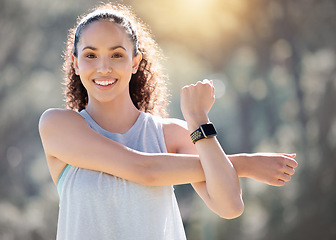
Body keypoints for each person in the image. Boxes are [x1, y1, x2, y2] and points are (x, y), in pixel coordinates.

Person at [38, 3, 298, 240]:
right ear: (75, 63)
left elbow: (229, 205)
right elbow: (144, 170)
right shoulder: (58, 126)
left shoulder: (171, 134)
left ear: (135, 62)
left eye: (117, 55)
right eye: (90, 55)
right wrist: (244, 164)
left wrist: (197, 119)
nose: (103, 67)